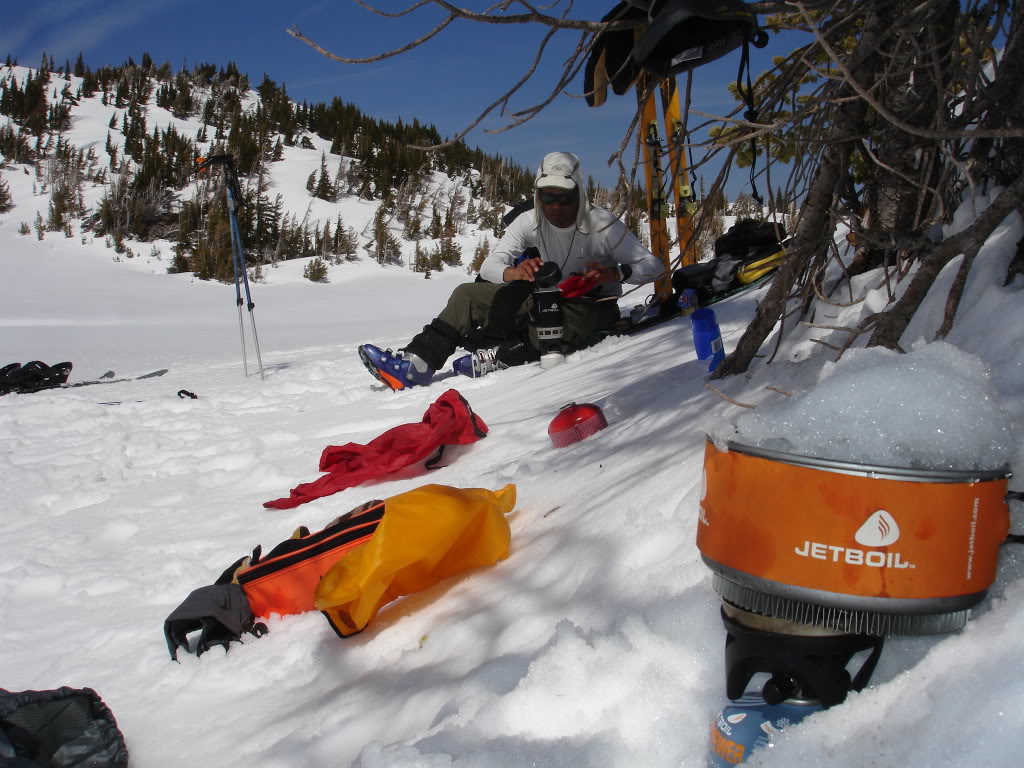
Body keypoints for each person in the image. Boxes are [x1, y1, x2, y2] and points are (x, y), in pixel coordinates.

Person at [358, 151, 664, 390]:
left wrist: (617, 274)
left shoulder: (603, 225)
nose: (555, 206)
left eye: (564, 198)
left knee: (551, 327)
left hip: (591, 305)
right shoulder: (529, 220)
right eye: (548, 197)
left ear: (579, 195)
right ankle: (416, 366)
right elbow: (489, 265)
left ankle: (502, 356)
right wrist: (513, 273)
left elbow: (654, 267)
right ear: (538, 195)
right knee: (467, 294)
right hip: (546, 297)